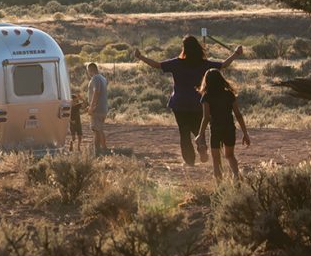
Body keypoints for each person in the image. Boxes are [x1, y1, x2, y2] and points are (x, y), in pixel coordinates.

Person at [134, 35, 242, 166]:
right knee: (198, 130)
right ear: (198, 48)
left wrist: (141, 57)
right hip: (199, 103)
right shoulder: (204, 64)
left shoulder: (176, 63)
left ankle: (189, 161)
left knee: (184, 133)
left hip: (180, 104)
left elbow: (157, 65)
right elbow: (224, 65)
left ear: (184, 48)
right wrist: (236, 54)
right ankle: (202, 147)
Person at [196, 68, 250, 181]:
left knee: (216, 161)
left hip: (216, 129)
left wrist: (200, 134)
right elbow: (238, 115)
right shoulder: (229, 94)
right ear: (221, 79)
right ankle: (236, 177)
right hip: (229, 128)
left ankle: (219, 186)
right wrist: (245, 133)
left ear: (207, 81)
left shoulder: (206, 96)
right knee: (230, 156)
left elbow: (206, 117)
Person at [86, 62, 109, 154]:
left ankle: (97, 152)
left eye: (88, 71)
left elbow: (96, 91)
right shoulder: (103, 78)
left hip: (97, 109)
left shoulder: (95, 78)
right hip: (103, 108)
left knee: (96, 130)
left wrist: (91, 107)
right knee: (100, 129)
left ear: (90, 70)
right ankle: (104, 149)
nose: (88, 73)